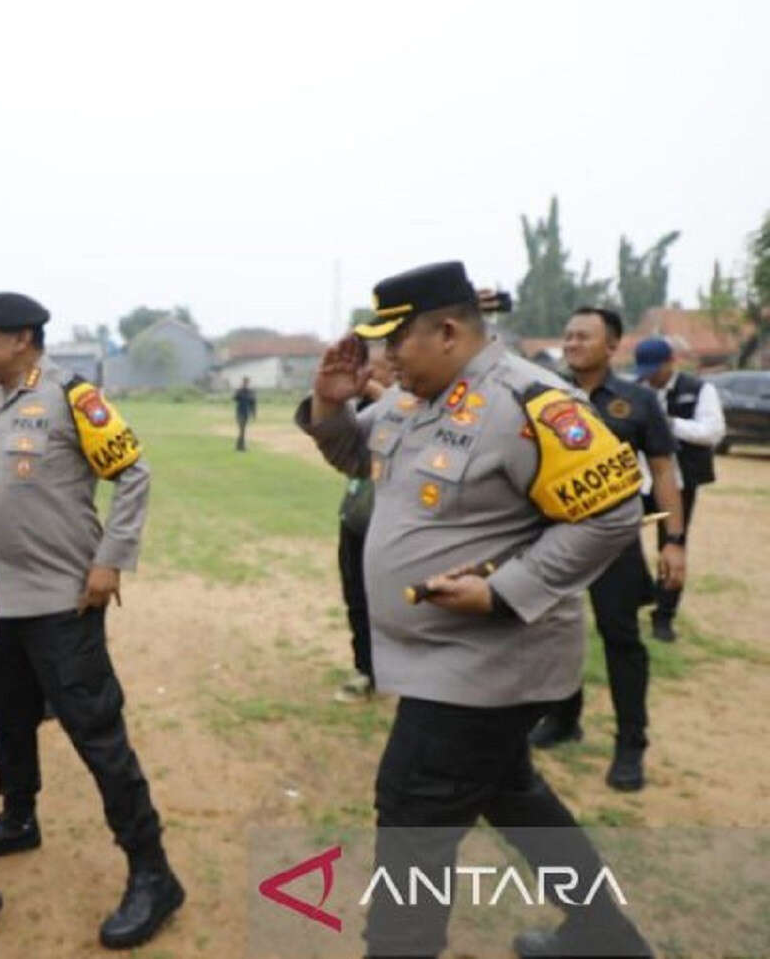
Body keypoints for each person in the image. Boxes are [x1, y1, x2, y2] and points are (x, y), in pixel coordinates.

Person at [298, 262, 651, 958]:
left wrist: (504, 590)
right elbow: (355, 458)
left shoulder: (530, 402)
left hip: (488, 662)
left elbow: (614, 515)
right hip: (438, 661)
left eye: (394, 342)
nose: (384, 358)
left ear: (450, 330)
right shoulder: (411, 398)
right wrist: (332, 404)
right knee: (510, 792)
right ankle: (605, 934)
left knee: (412, 812)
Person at [0, 291, 184, 951]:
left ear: (22, 339)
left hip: (64, 603)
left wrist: (110, 561)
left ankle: (153, 872)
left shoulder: (72, 398)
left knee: (96, 733)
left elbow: (134, 474)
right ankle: (18, 818)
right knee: (6, 711)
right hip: (11, 602)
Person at [527, 309, 687, 792]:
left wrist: (674, 542)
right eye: (568, 334)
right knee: (552, 634)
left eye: (584, 336)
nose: (572, 343)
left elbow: (662, 472)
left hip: (612, 540)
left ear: (611, 345)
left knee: (621, 639)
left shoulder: (637, 402)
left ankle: (631, 743)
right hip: (552, 539)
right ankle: (563, 717)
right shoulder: (543, 396)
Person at [635, 336, 723, 641]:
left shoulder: (699, 390)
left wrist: (669, 424)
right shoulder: (637, 389)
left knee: (672, 545)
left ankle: (664, 616)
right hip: (638, 480)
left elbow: (713, 432)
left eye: (654, 369)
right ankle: (637, 593)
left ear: (670, 363)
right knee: (617, 535)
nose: (649, 376)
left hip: (679, 482)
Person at [333, 348, 393, 703]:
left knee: (388, 602)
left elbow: (405, 413)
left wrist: (372, 391)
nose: (368, 372)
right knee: (355, 597)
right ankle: (366, 669)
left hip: (390, 523)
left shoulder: (413, 403)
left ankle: (393, 671)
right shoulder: (364, 407)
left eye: (376, 366)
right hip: (356, 514)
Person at [232, 377, 257, 451]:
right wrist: (240, 390)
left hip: (246, 413)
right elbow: (234, 398)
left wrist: (254, 413)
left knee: (243, 430)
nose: (245, 384)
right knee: (242, 429)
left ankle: (239, 446)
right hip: (240, 413)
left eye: (246, 382)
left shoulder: (250, 392)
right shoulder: (240, 391)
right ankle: (241, 446)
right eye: (244, 382)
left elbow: (253, 403)